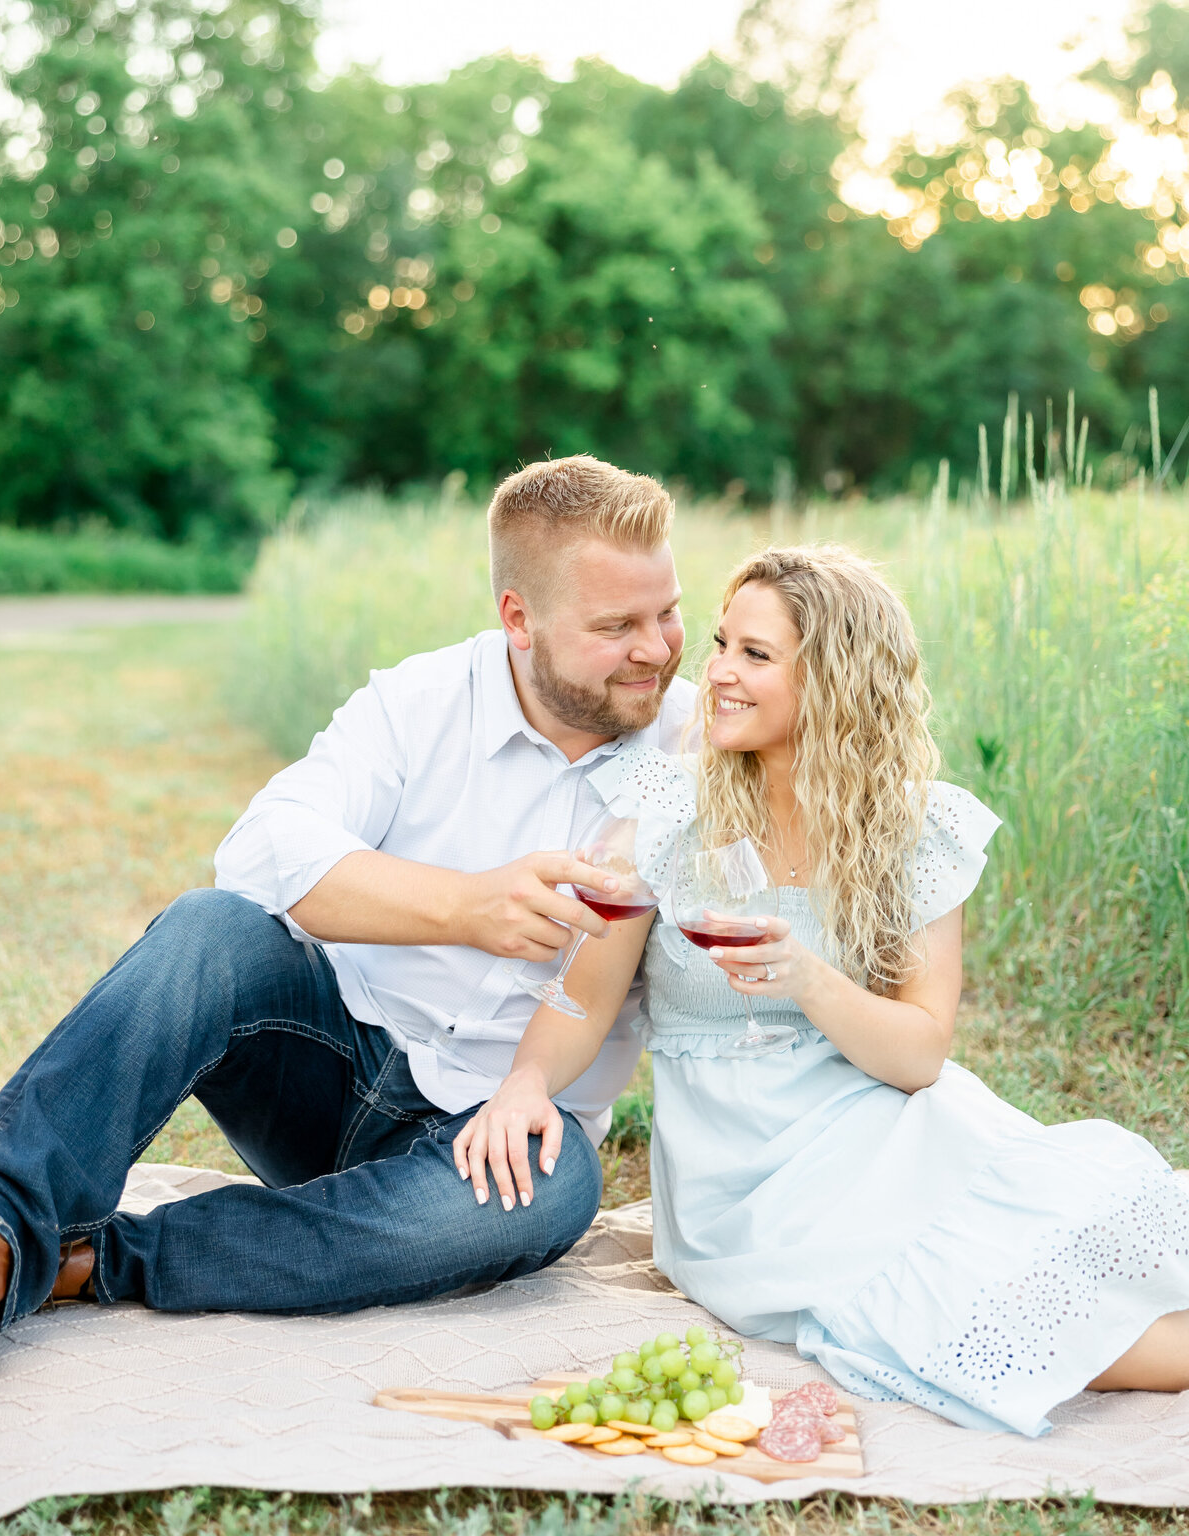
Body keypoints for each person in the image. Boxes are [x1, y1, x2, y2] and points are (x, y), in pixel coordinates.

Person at [455, 542, 1189, 1439]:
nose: (715, 673)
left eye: (754, 655)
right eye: (722, 643)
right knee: (999, 1317)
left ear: (836, 679)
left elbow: (920, 1057)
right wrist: (526, 1083)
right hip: (750, 1185)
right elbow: (582, 997)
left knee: (1088, 1228)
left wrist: (807, 978)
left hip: (888, 1119)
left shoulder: (915, 828)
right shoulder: (664, 809)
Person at [0, 455, 693, 1356]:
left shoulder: (694, 756)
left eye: (668, 612)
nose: (657, 648)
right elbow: (261, 848)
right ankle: (2, 1231)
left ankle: (105, 1261)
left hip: (489, 1144)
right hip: (327, 1064)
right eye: (617, 625)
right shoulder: (419, 703)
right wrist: (463, 907)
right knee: (212, 930)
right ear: (518, 619)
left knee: (561, 1192)